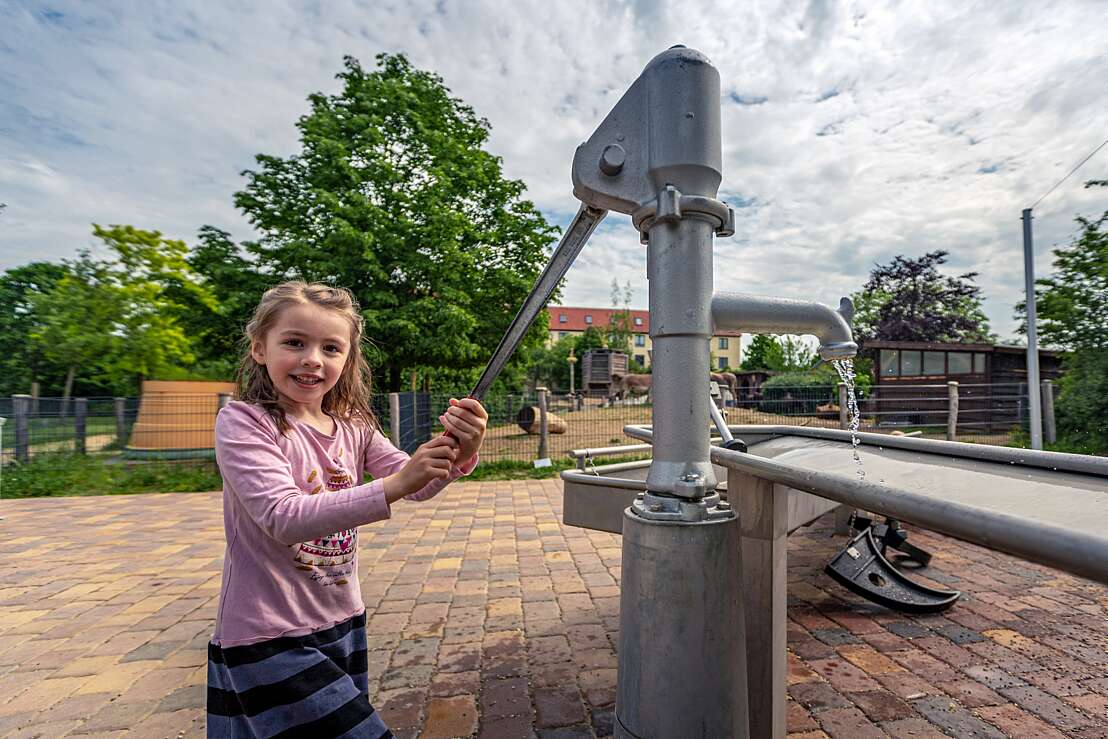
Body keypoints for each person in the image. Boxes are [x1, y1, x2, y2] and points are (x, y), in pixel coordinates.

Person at [206, 281, 487, 738]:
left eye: (331, 347)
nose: (313, 358)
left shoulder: (353, 426)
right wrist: (397, 483)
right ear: (260, 347)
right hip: (267, 634)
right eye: (295, 342)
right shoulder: (245, 422)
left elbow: (415, 486)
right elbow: (283, 516)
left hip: (341, 622)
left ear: (347, 359)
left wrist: (458, 453)